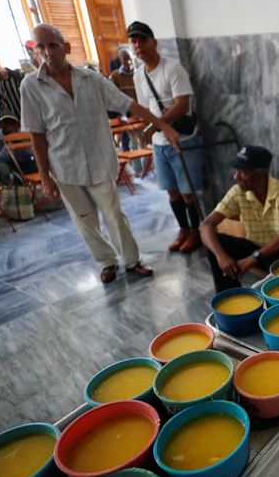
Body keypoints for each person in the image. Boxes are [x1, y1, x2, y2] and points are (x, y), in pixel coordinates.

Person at [20, 23, 181, 283]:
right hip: (64, 166)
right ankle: (106, 261)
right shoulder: (31, 86)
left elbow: (128, 104)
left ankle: (132, 261)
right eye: (41, 47)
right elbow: (36, 134)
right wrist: (45, 175)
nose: (47, 52)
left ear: (67, 47)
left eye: (53, 45)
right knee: (85, 220)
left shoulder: (90, 79)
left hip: (100, 161)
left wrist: (162, 125)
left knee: (115, 215)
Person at [129, 21, 206, 253]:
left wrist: (155, 126)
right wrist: (151, 129)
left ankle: (196, 232)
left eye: (142, 40)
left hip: (182, 139)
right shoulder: (139, 74)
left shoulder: (173, 68)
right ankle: (183, 229)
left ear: (154, 42)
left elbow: (183, 105)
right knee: (171, 190)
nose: (138, 45)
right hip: (159, 143)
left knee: (187, 192)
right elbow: (145, 107)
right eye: (134, 41)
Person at [200, 145, 279, 293]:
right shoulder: (237, 192)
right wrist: (222, 257)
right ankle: (230, 296)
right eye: (237, 171)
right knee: (217, 244)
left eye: (243, 172)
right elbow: (205, 225)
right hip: (254, 246)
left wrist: (254, 258)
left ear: (260, 175)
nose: (236, 177)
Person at [0, 114, 35, 185]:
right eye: (6, 123)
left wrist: (21, 143)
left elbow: (35, 154)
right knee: (0, 168)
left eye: (12, 123)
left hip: (26, 162)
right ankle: (12, 189)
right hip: (9, 164)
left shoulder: (24, 132)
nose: (10, 126)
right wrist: (9, 145)